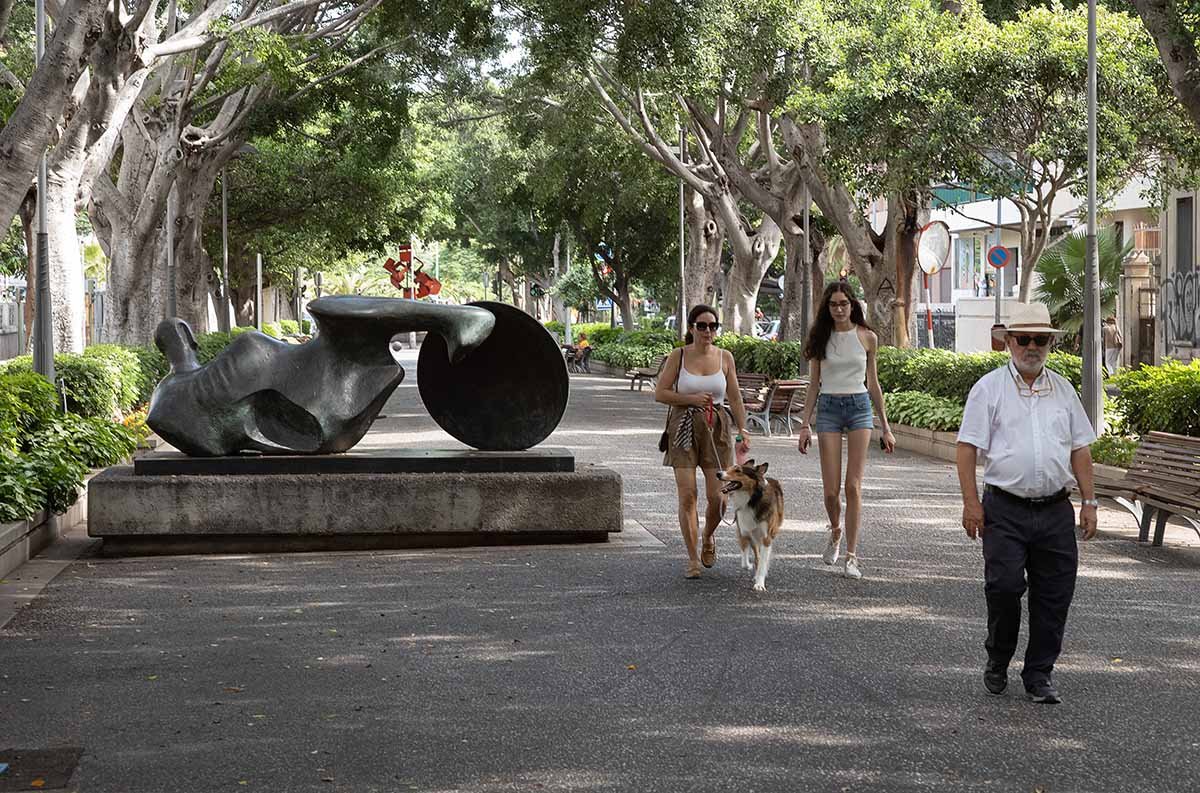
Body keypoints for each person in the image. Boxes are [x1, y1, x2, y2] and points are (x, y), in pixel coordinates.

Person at [955, 301, 1098, 704]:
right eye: (1023, 339)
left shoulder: (1064, 390)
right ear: (1009, 342)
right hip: (1004, 508)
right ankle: (998, 657)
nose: (1031, 347)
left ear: (1049, 344)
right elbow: (967, 448)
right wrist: (971, 503)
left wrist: (1090, 501)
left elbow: (1080, 450)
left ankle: (1039, 674)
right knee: (1003, 587)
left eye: (1040, 340)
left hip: (1055, 510)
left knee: (1054, 595)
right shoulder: (989, 389)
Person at [795, 283, 895, 579]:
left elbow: (873, 383)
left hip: (859, 407)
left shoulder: (867, 337)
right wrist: (804, 425)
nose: (839, 309)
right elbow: (813, 385)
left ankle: (852, 556)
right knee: (830, 492)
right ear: (827, 308)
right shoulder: (820, 338)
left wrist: (885, 427)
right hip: (829, 408)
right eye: (833, 304)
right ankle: (836, 529)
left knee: (853, 486)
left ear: (853, 305)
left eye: (843, 304)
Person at [656, 305, 752, 579]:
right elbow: (660, 393)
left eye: (713, 326)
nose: (708, 331)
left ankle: (708, 536)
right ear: (691, 328)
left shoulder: (725, 357)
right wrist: (690, 399)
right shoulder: (679, 356)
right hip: (683, 426)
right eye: (702, 325)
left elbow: (735, 397)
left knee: (719, 498)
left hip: (717, 427)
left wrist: (743, 429)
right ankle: (691, 558)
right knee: (688, 495)